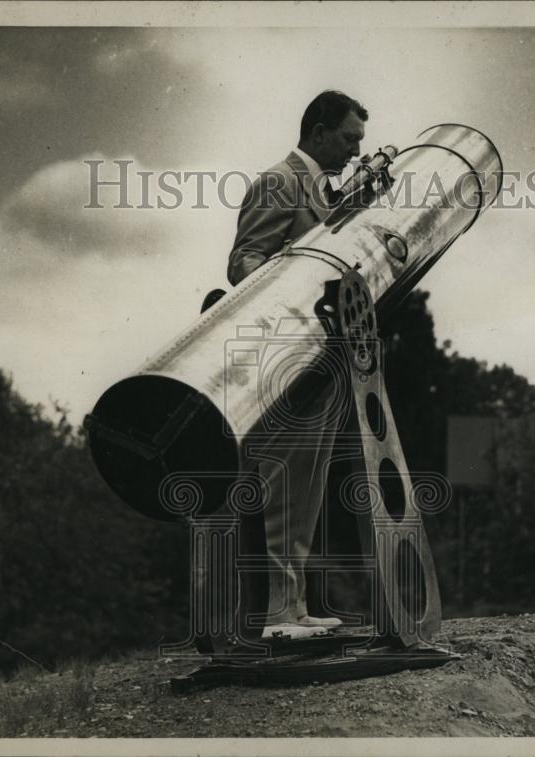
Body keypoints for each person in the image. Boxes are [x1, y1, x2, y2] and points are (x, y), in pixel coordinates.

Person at [227, 90, 367, 638]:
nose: (355, 152)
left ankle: (292, 608)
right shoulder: (279, 181)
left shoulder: (323, 191)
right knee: (285, 484)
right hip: (286, 359)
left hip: (319, 362)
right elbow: (244, 263)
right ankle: (275, 616)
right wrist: (295, 311)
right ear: (317, 131)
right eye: (349, 139)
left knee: (304, 488)